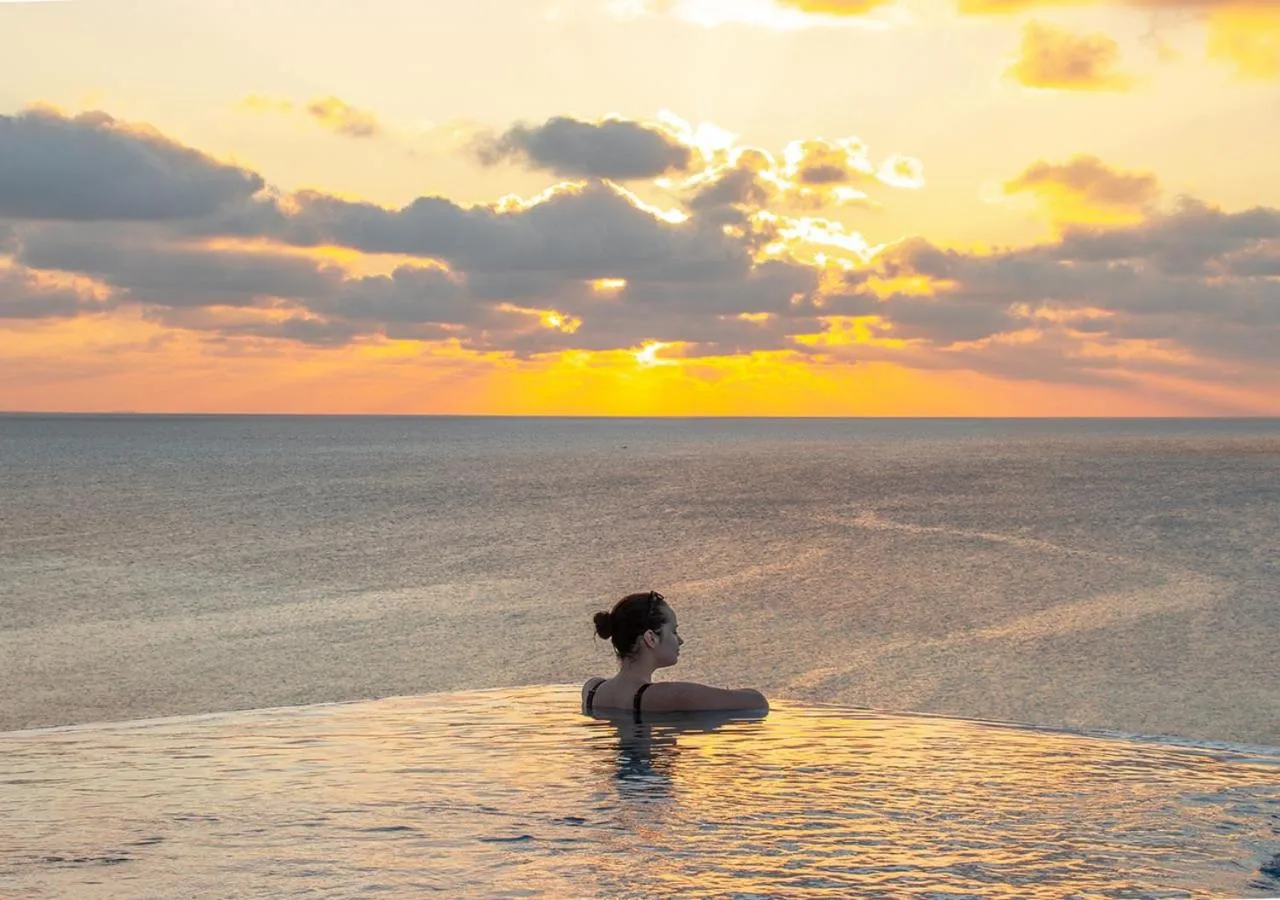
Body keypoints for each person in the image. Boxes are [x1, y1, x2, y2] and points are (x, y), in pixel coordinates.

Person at [582, 590, 768, 719]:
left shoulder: (591, 689)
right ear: (651, 638)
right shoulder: (668, 695)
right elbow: (757, 702)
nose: (680, 640)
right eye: (674, 631)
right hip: (650, 776)